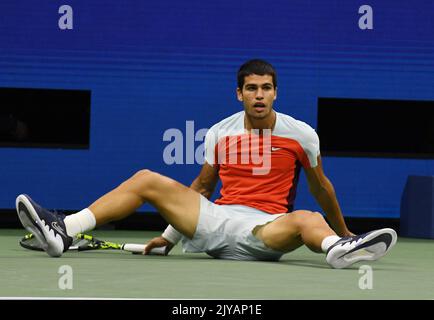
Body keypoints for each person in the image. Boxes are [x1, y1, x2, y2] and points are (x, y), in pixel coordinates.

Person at [15, 59, 397, 269]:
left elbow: (321, 188)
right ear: (239, 93)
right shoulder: (219, 133)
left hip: (265, 231)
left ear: (276, 92)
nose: (259, 95)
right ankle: (64, 230)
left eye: (266, 88)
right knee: (147, 178)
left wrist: (345, 230)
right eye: (251, 88)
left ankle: (339, 249)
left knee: (308, 218)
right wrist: (168, 238)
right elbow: (201, 189)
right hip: (216, 223)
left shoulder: (301, 135)